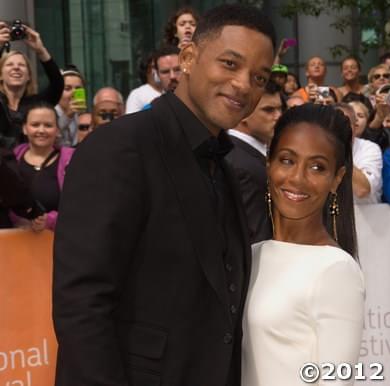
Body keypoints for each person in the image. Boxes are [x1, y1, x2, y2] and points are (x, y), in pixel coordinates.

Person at [52, 5, 276, 385]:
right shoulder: (119, 147)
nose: (243, 84)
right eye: (229, 64)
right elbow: (82, 307)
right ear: (188, 58)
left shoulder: (225, 163)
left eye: (259, 76)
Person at [242, 103, 364, 386]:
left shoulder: (336, 269)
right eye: (287, 160)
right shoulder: (252, 254)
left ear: (337, 179)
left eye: (317, 167)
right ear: (268, 163)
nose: (297, 178)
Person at [227, 81, 283, 243]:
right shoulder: (240, 164)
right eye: (268, 110)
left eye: (280, 108)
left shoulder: (242, 155)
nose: (278, 116)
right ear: (243, 113)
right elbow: (254, 235)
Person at [11, 102, 74, 232]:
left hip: (59, 243)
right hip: (16, 242)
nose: (41, 130)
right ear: (24, 128)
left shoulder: (72, 161)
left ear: (57, 130)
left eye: (48, 125)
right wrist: (18, 220)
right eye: (35, 125)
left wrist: (50, 220)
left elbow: (80, 204)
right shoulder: (11, 161)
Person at [0, 22, 64, 145]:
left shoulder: (36, 104)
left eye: (22, 65)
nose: (16, 68)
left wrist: (40, 50)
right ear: (1, 76)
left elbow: (57, 83)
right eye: (10, 65)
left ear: (29, 76)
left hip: (28, 161)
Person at [55, 65, 86, 146]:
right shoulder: (48, 111)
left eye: (78, 88)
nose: (73, 93)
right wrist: (68, 115)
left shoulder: (80, 114)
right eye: (67, 89)